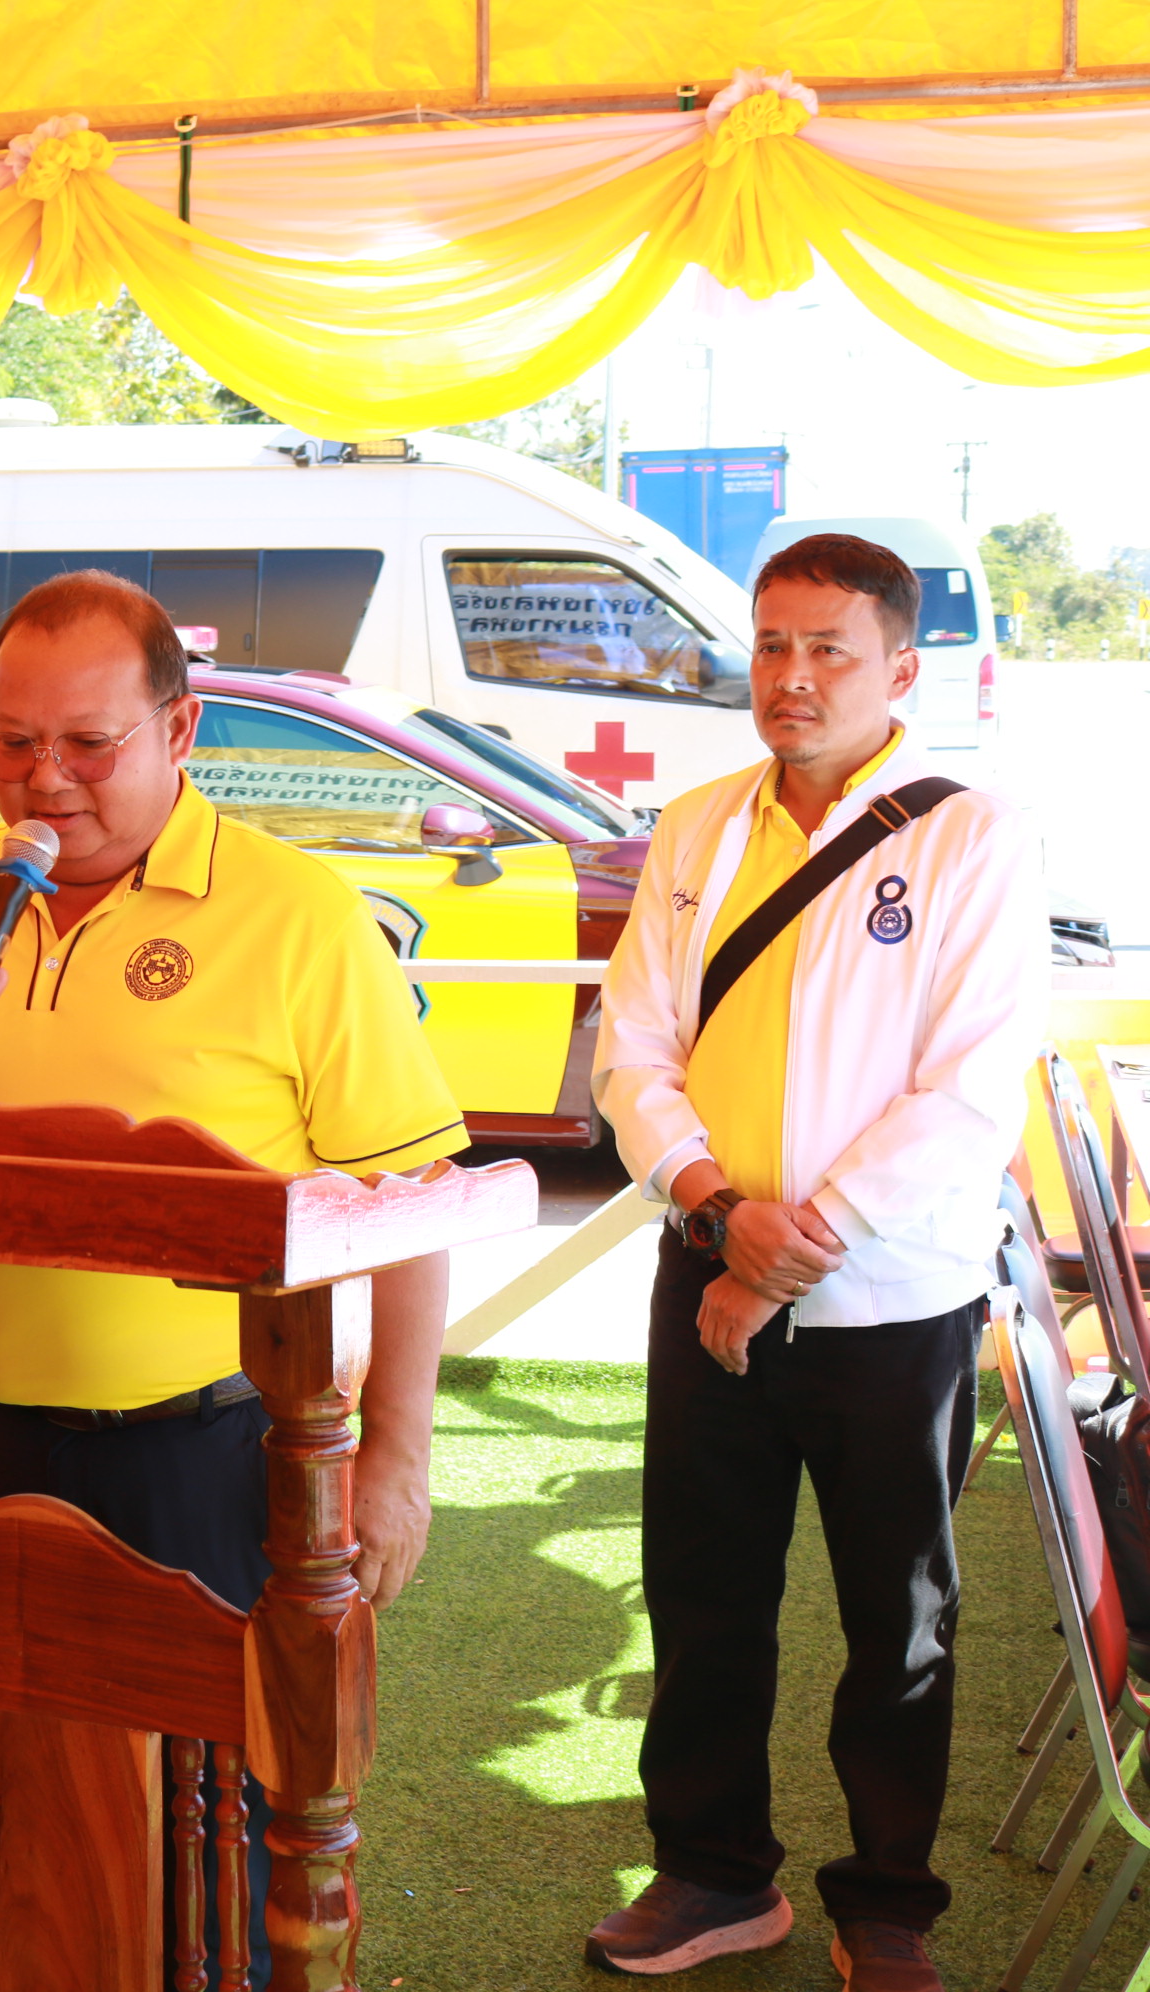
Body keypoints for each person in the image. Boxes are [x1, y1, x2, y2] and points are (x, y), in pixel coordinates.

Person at [0, 568, 463, 1947]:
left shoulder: (297, 915)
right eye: (11, 742)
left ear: (181, 729)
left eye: (88, 744)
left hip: (212, 1460)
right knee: (5, 1843)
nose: (44, 781)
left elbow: (414, 1204)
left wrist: (396, 1457)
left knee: (216, 1871)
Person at [583, 535, 1047, 1992]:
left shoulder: (970, 837)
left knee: (896, 1618)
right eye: (771, 644)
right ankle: (713, 1873)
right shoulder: (698, 826)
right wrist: (719, 1209)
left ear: (899, 669)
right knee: (701, 1592)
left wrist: (789, 1252)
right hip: (706, 1265)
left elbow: (967, 1092)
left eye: (826, 649)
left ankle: (886, 1904)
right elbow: (632, 1052)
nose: (789, 676)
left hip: (891, 1300)